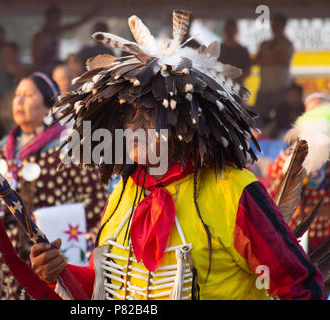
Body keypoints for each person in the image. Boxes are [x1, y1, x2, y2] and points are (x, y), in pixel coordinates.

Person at [29, 10, 323, 300]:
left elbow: (299, 286)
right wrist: (61, 273)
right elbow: (104, 286)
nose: (133, 127)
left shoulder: (233, 192)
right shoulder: (124, 192)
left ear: (183, 122)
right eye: (126, 115)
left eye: (146, 113)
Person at [0, 73, 108, 299]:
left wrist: (62, 223)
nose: (20, 101)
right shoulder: (1, 151)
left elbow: (97, 202)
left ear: (47, 107)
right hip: (6, 260)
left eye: (28, 95)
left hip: (53, 256)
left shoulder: (68, 149)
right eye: (17, 95)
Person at [268, 93, 330, 254]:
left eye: (320, 111)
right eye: (311, 113)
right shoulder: (290, 154)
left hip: (324, 231)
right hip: (295, 230)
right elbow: (275, 191)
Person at [252, 13, 294, 133]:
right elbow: (255, 61)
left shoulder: (287, 43)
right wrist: (273, 58)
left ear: (283, 26)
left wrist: (265, 58)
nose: (275, 27)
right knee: (259, 117)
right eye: (273, 24)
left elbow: (283, 60)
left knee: (280, 119)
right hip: (264, 88)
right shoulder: (264, 43)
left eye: (278, 24)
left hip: (281, 88)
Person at [31, 5, 98, 75]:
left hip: (55, 70)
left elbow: (77, 24)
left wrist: (94, 12)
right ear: (49, 18)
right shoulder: (39, 36)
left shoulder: (57, 31)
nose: (57, 21)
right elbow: (35, 60)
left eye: (58, 19)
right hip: (43, 72)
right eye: (55, 19)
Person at [219, 19, 251, 85]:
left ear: (236, 30)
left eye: (231, 29)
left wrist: (233, 80)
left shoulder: (242, 51)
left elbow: (247, 71)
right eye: (228, 29)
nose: (230, 32)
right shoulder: (219, 49)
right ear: (224, 30)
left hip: (236, 87)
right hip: (220, 85)